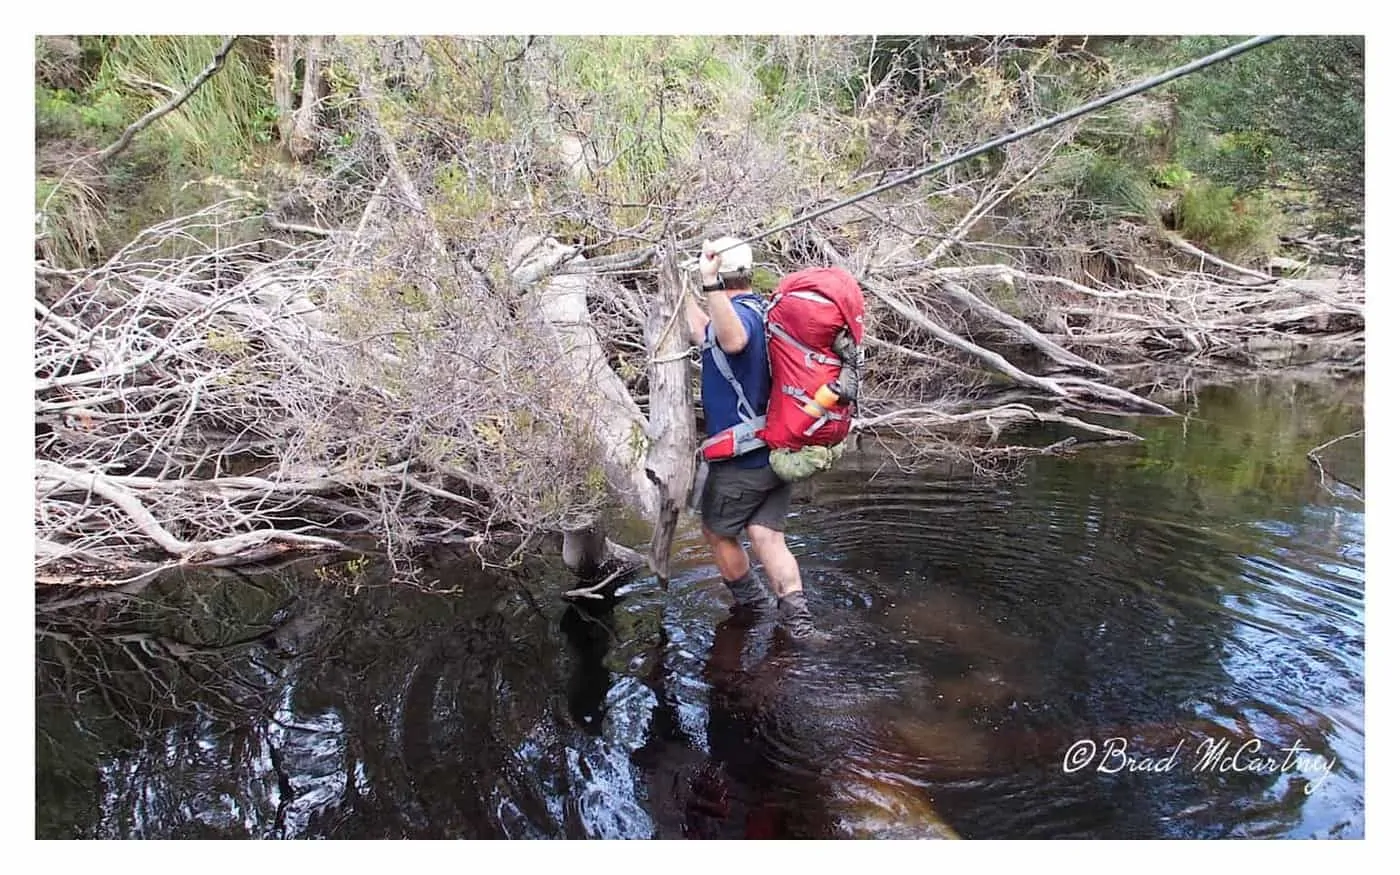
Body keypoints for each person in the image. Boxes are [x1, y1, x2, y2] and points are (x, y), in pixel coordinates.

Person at [685, 236, 820, 642]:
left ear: (721, 276)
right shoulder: (764, 312)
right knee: (766, 536)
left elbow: (733, 340)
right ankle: (799, 625)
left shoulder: (739, 321)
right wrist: (679, 287)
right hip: (779, 451)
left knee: (716, 531)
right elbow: (705, 333)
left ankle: (753, 608)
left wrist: (707, 285)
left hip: (744, 458)